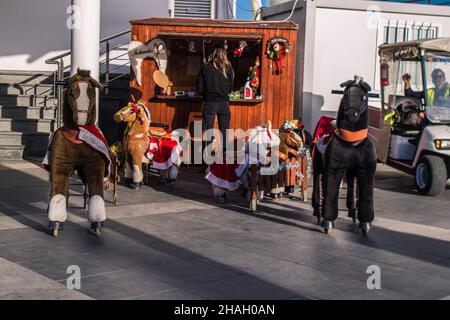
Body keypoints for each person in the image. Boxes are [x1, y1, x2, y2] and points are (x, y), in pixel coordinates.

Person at [197, 47, 235, 148]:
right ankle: (224, 160)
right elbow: (231, 87)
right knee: (224, 133)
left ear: (213, 55)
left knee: (208, 133)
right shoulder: (228, 68)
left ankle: (207, 160)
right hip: (224, 104)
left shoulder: (205, 67)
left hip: (209, 104)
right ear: (224, 55)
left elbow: (199, 89)